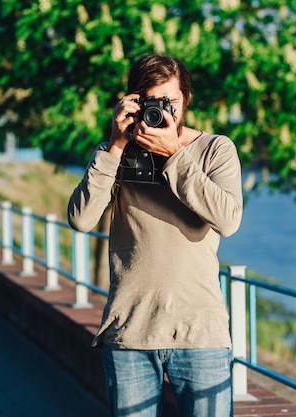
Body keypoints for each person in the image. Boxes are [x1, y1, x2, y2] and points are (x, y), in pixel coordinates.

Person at [67, 54, 243, 417]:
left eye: (170, 103)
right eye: (152, 102)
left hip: (200, 333)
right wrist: (115, 144)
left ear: (186, 99)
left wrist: (174, 155)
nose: (162, 113)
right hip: (130, 331)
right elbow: (81, 219)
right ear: (133, 102)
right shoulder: (114, 154)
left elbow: (227, 220)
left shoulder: (215, 150)